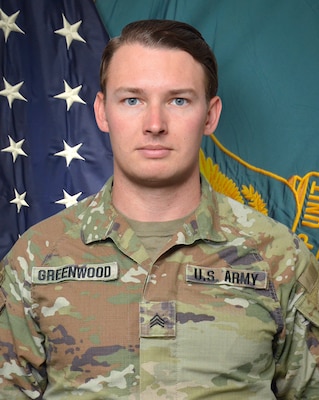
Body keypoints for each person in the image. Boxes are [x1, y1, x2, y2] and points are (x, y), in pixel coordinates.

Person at [0, 19, 319, 400]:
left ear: (210, 115)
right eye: (132, 100)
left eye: (178, 100)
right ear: (102, 112)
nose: (155, 124)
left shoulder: (279, 257)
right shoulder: (36, 258)